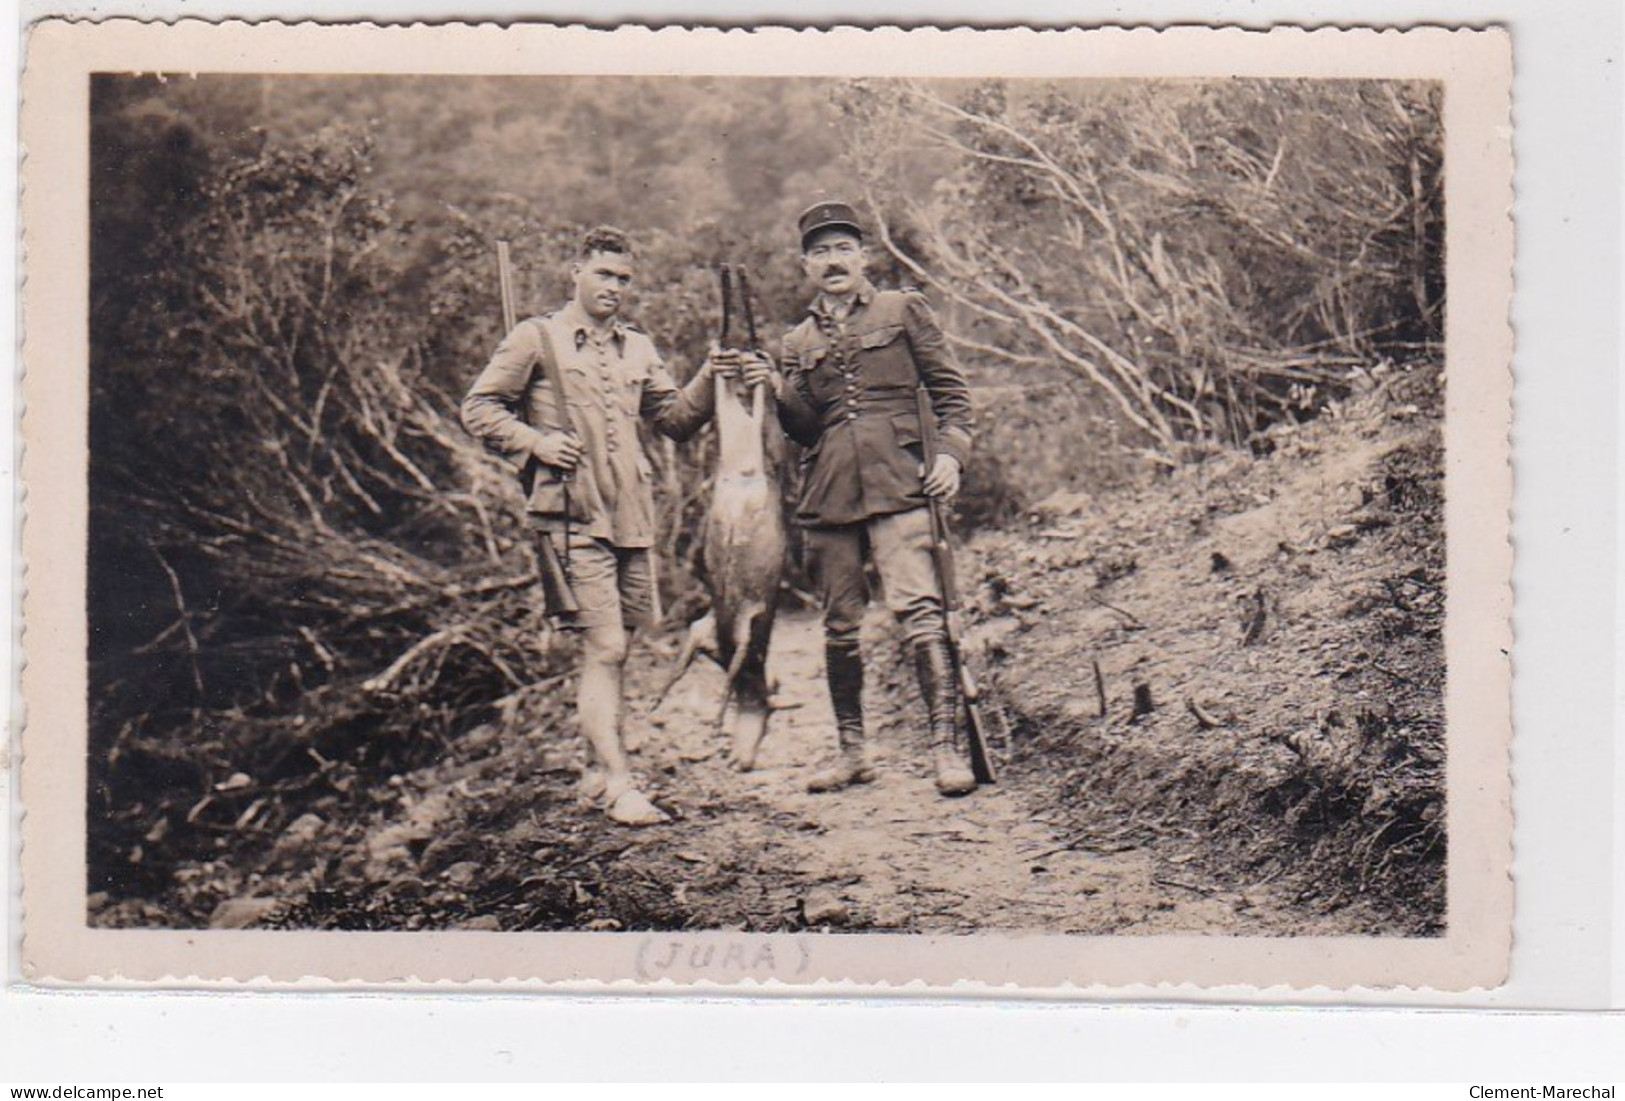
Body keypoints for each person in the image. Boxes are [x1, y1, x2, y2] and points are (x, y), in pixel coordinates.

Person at [462, 225, 734, 826]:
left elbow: (675, 419)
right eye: (605, 274)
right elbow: (479, 406)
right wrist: (534, 441)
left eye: (625, 279)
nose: (615, 287)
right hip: (570, 517)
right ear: (576, 272)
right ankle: (619, 783)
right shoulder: (537, 337)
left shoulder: (637, 347)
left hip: (631, 517)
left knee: (616, 649)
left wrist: (713, 373)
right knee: (606, 645)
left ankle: (593, 771)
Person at [744, 201, 978, 797]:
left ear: (862, 255)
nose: (832, 260)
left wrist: (949, 455)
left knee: (920, 612)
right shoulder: (796, 341)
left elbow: (953, 394)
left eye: (842, 248)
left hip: (901, 482)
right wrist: (774, 387)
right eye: (820, 252)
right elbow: (805, 426)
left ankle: (946, 751)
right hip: (830, 493)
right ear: (806, 265)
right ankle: (854, 754)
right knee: (839, 627)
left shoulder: (902, 310)